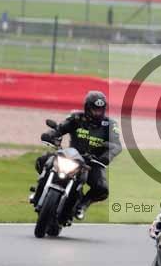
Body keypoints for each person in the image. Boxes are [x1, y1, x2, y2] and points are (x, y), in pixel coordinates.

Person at [31, 91, 122, 220]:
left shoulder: (110, 124)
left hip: (93, 162)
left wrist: (105, 158)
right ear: (87, 108)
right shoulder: (76, 118)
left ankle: (82, 205)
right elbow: (60, 128)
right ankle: (39, 190)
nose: (97, 113)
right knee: (43, 160)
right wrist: (51, 135)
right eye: (94, 109)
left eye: (100, 110)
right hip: (71, 156)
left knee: (101, 188)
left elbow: (117, 145)